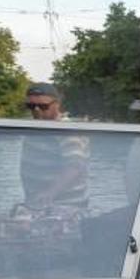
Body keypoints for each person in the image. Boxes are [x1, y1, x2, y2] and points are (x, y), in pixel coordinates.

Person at [18, 83, 88, 211]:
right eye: (31, 106)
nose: (36, 110)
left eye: (43, 106)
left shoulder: (66, 130)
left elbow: (75, 166)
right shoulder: (37, 127)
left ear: (57, 104)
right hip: (37, 205)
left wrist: (49, 193)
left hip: (64, 207)